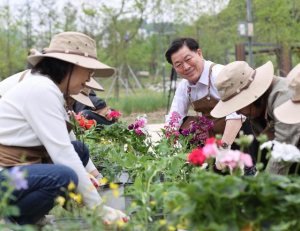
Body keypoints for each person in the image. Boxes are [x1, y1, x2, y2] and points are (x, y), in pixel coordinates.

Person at [0, 31, 127, 225]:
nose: (88, 79)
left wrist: (90, 180)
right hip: (5, 175)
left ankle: (29, 215)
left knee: (79, 151)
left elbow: (68, 144)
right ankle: (13, 221)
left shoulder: (48, 88)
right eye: (88, 71)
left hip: (16, 169)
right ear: (70, 66)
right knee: (63, 176)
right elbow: (62, 154)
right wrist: (100, 210)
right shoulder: (41, 89)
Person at [165, 38, 257, 174]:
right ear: (174, 68)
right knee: (185, 124)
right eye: (178, 64)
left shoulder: (220, 74)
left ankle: (249, 166)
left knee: (242, 115)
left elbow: (236, 114)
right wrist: (166, 150)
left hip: (239, 134)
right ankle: (206, 163)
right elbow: (174, 117)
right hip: (213, 136)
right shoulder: (184, 86)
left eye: (188, 59)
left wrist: (224, 148)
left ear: (199, 53)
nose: (186, 67)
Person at [211, 61, 300, 175]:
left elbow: (282, 152)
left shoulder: (283, 98)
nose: (237, 112)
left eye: (238, 105)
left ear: (253, 96)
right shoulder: (257, 107)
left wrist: (263, 187)